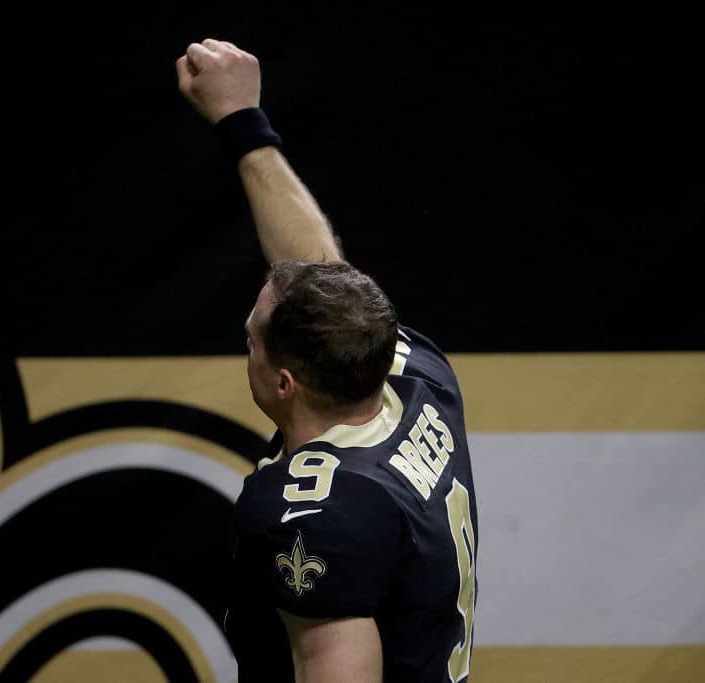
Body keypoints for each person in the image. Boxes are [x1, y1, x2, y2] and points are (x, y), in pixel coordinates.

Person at [176, 39, 479, 682]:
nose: (247, 343)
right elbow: (323, 276)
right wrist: (242, 123)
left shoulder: (319, 509)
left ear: (285, 381)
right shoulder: (414, 376)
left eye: (251, 339)